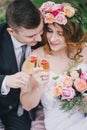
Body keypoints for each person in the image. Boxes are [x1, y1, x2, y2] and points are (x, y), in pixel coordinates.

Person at [20, 1, 87, 130]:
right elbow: (26, 105)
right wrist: (38, 87)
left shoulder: (84, 50)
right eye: (50, 30)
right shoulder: (36, 59)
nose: (52, 39)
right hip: (58, 124)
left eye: (60, 33)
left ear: (71, 33)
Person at [0, 0, 44, 129]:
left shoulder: (48, 33)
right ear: (11, 32)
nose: (39, 39)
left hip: (20, 110)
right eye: (31, 36)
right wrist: (6, 80)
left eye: (40, 32)